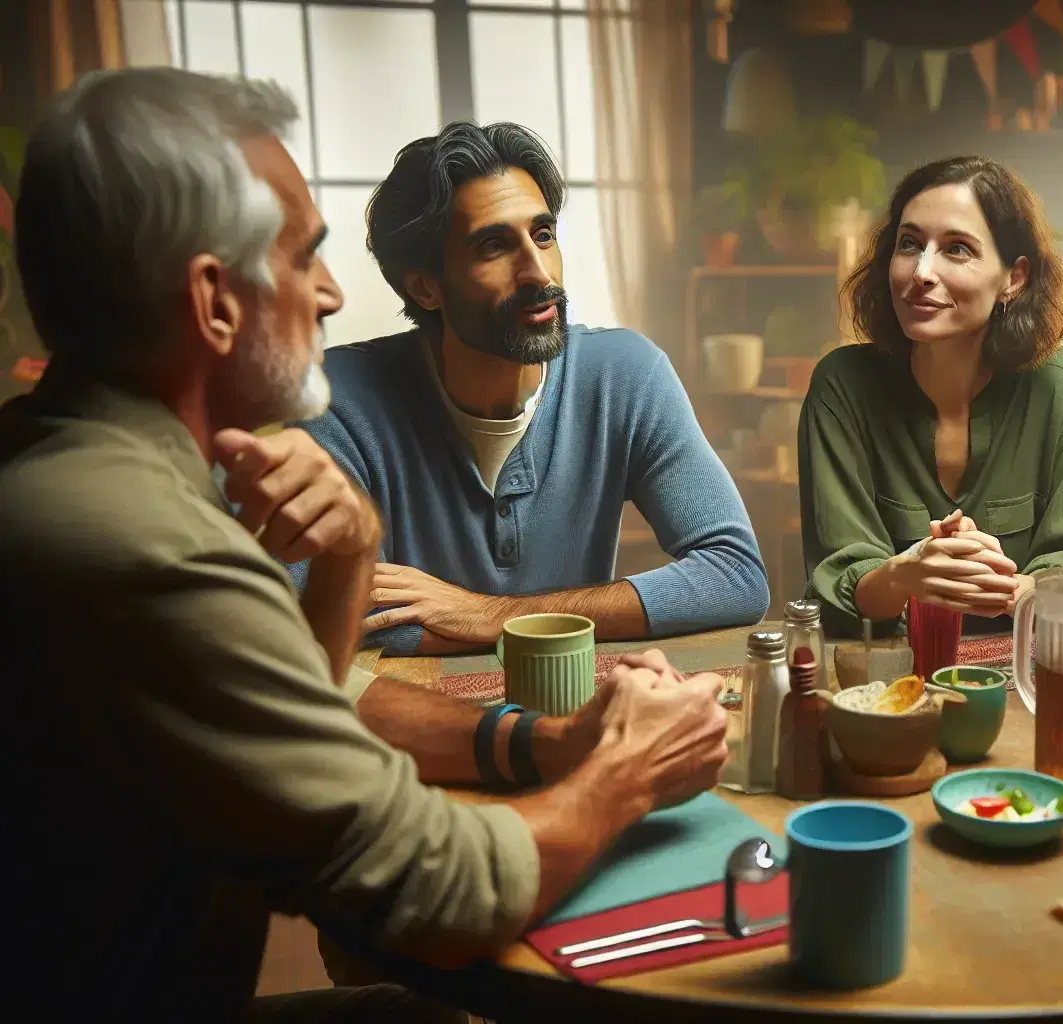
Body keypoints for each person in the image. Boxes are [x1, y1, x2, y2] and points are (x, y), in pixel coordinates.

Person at [0, 68, 730, 1020]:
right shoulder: (151, 551)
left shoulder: (55, 462)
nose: (335, 294)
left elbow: (295, 696)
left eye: (544, 233)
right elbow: (443, 897)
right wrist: (625, 767)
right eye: (304, 258)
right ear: (215, 302)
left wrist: (531, 734)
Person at [286, 121, 768, 656]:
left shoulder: (625, 376)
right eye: (494, 246)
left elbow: (735, 575)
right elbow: (311, 614)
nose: (538, 273)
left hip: (571, 708)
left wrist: (491, 616)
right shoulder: (337, 402)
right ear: (426, 287)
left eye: (543, 235)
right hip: (408, 720)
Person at [800, 156, 1063, 638]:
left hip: (1030, 674)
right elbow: (835, 584)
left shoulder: (1062, 387)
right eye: (909, 244)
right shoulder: (842, 385)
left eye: (957, 249)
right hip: (885, 680)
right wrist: (907, 573)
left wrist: (1006, 588)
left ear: (1013, 279)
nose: (922, 272)